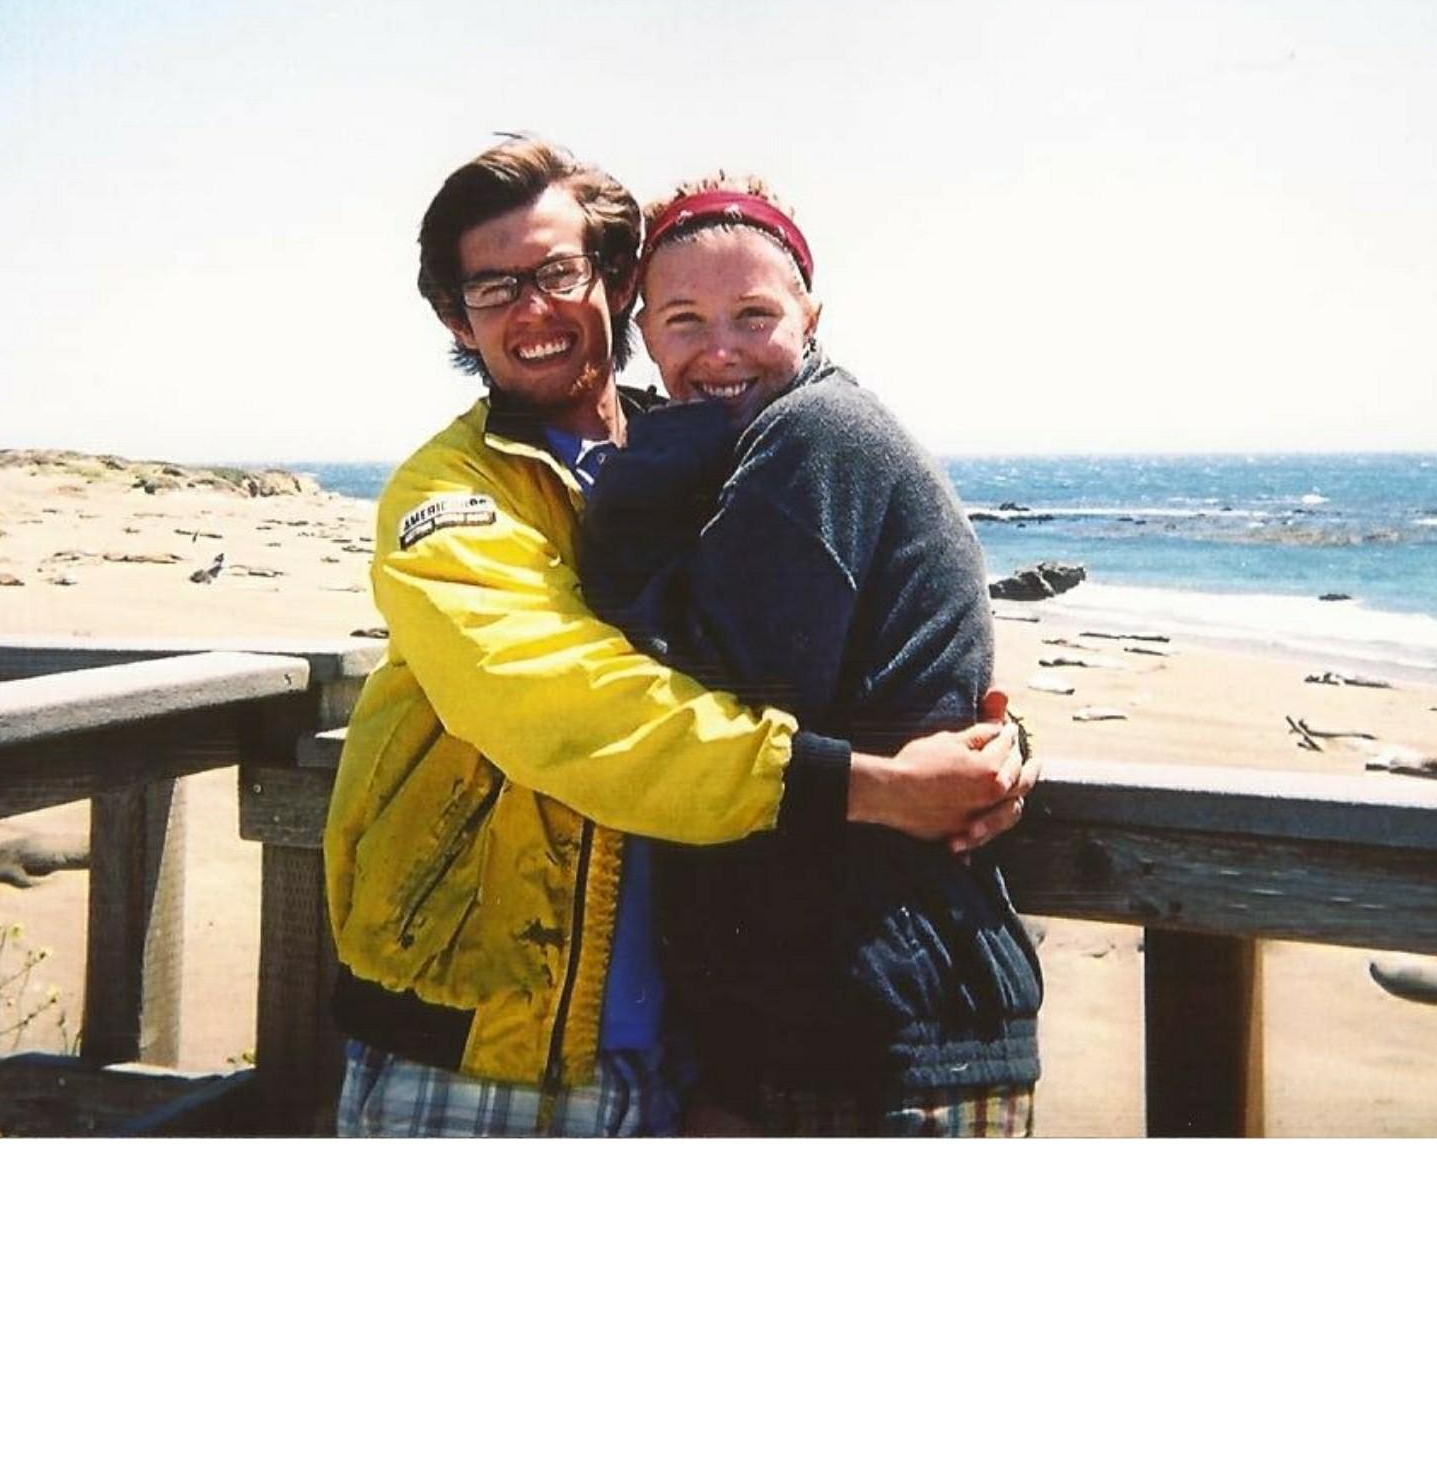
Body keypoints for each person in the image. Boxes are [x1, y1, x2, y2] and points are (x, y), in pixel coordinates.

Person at [322, 137, 1032, 1137]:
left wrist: (979, 744)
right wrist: (875, 785)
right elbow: (566, 706)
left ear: (614, 287)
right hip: (486, 1042)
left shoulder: (717, 447)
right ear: (455, 317)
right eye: (492, 288)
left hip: (683, 1057)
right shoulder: (449, 494)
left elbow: (850, 623)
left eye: (559, 272)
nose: (533, 308)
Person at [577, 176, 1044, 1135]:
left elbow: (722, 694)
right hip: (827, 1009)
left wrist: (629, 493)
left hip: (883, 1024)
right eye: (682, 320)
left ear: (811, 315)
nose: (719, 350)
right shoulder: (749, 445)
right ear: (644, 337)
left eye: (754, 314)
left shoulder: (814, 436)